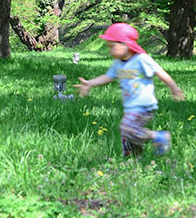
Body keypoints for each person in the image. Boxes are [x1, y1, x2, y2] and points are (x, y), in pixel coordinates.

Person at [74, 22, 185, 157]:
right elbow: (108, 77)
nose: (110, 50)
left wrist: (174, 87)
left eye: (112, 46)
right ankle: (133, 158)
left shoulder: (141, 59)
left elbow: (159, 71)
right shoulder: (118, 63)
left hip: (144, 105)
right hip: (130, 106)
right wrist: (89, 83)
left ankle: (158, 136)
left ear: (125, 44)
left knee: (127, 128)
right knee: (126, 134)